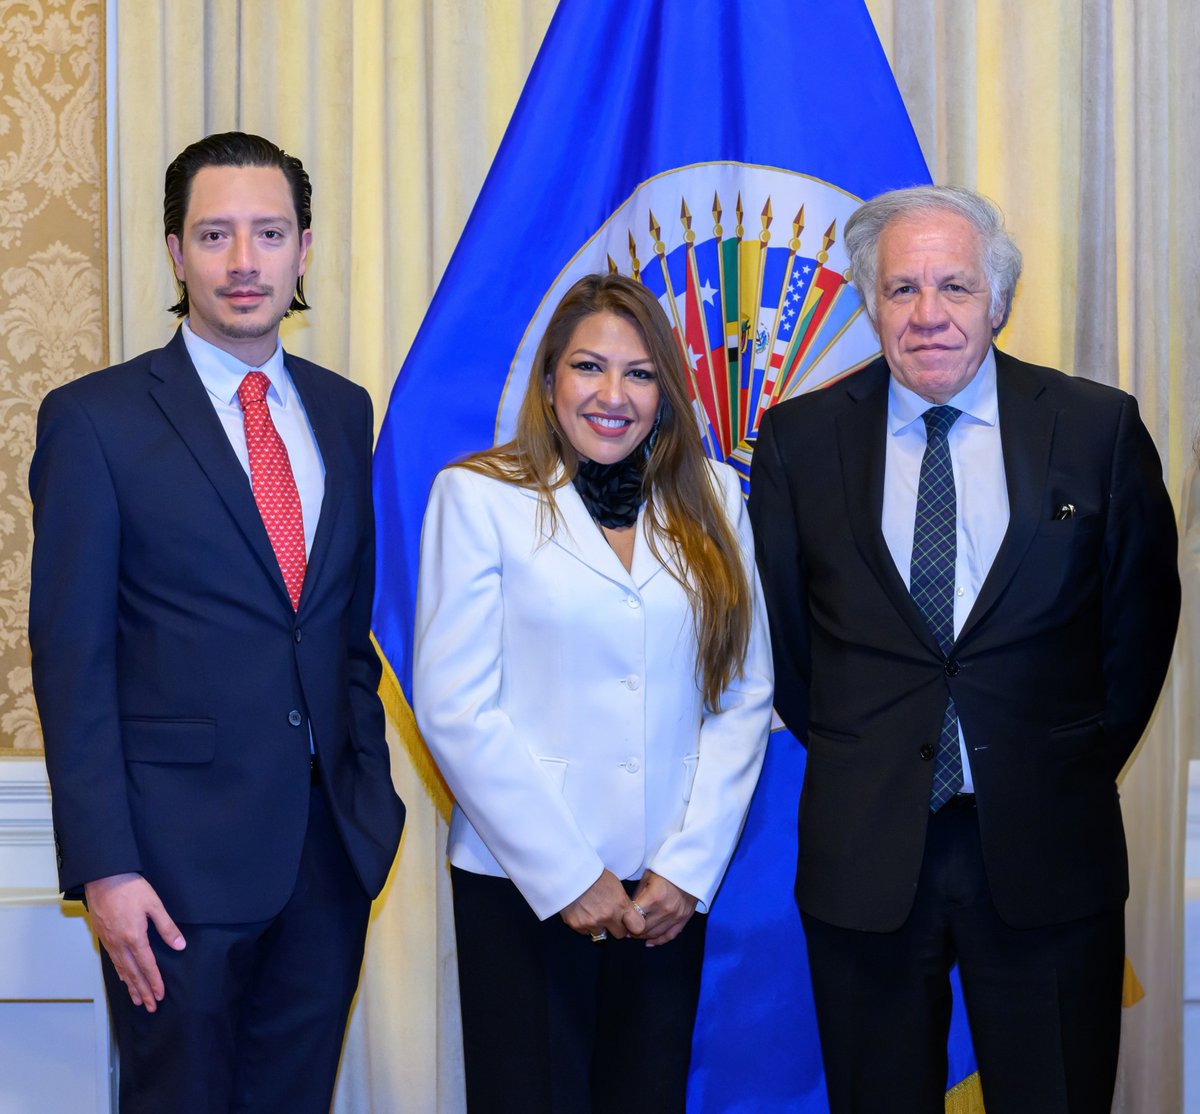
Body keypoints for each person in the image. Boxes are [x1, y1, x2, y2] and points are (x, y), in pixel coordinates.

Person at [748, 185, 1180, 1114]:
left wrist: (1053, 759)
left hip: (1047, 851)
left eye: (955, 286)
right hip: (867, 856)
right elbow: (790, 649)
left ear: (998, 300)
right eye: (902, 290)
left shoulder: (1096, 429)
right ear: (870, 303)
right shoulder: (797, 441)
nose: (929, 315)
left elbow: (1138, 630)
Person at [28, 131, 406, 1114]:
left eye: (269, 233)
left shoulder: (342, 412)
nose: (244, 261)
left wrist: (368, 802)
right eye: (216, 234)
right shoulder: (96, 420)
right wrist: (105, 868)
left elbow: (342, 633)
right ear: (174, 250)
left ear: (304, 249)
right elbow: (73, 659)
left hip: (327, 861)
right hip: (168, 875)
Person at [413, 272, 773, 1113]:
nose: (614, 395)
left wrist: (687, 870)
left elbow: (746, 691)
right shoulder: (476, 497)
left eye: (640, 374)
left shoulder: (716, 496)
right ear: (548, 383)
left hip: (664, 899)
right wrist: (569, 874)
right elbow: (456, 706)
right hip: (524, 886)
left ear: (666, 395)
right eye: (588, 368)